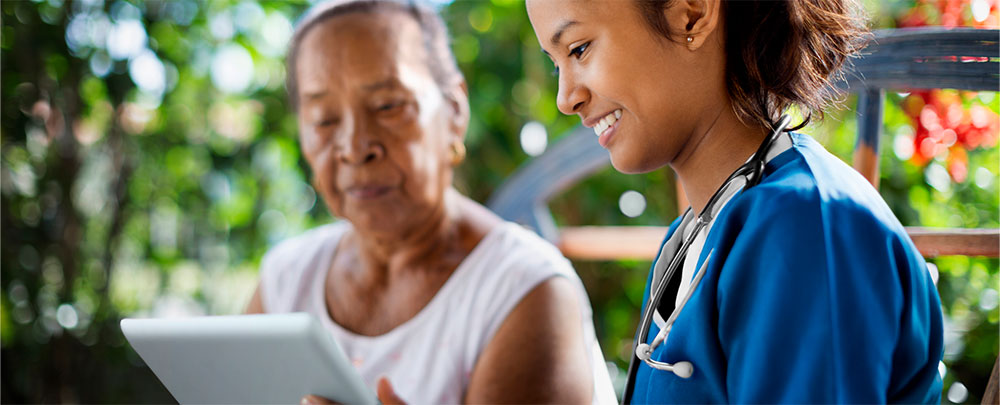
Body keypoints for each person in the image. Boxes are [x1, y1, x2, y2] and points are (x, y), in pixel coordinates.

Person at [527, 0, 944, 403]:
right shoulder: (692, 234)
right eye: (555, 62)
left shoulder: (806, 227)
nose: (567, 98)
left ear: (691, 15)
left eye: (579, 49)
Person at [244, 1, 617, 403]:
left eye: (388, 106)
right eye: (324, 119)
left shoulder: (522, 289)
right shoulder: (288, 278)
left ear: (454, 111)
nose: (354, 147)